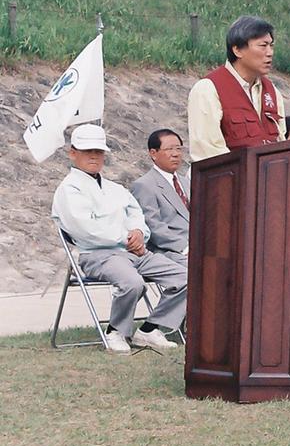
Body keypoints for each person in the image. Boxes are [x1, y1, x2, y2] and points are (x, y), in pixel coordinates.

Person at [51, 125, 188, 354]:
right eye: (87, 151)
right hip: (98, 255)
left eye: (98, 151)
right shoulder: (68, 190)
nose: (94, 156)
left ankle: (149, 329)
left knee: (187, 278)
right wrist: (126, 237)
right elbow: (86, 229)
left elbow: (136, 214)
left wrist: (138, 233)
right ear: (72, 153)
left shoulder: (115, 188)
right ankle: (115, 331)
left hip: (134, 252)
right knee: (133, 282)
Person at [187, 15, 286, 161]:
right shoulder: (208, 89)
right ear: (237, 50)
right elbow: (208, 151)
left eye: (271, 45)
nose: (270, 52)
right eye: (263, 46)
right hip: (231, 180)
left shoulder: (272, 92)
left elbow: (282, 141)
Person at [130, 128, 191, 269]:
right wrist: (185, 248)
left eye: (178, 149)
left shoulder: (186, 182)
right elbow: (153, 226)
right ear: (153, 153)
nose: (175, 154)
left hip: (197, 247)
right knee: (201, 269)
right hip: (169, 250)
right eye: (169, 149)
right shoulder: (144, 185)